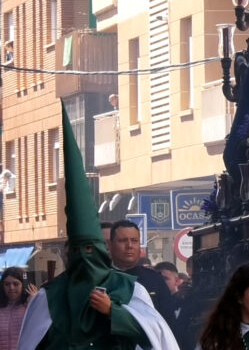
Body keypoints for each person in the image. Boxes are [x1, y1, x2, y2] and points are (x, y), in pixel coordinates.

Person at [18, 103, 178, 350]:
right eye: (78, 250)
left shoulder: (129, 287)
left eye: (90, 250)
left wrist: (113, 312)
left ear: (103, 250)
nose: (84, 257)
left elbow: (154, 336)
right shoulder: (49, 295)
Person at [110, 220, 178, 327]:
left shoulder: (155, 280)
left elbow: (169, 324)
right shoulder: (102, 278)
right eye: (123, 240)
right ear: (110, 245)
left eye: (134, 240)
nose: (129, 246)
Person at [0, 267, 36, 350]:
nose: (11, 287)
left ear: (24, 285)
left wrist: (35, 304)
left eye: (16, 284)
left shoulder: (30, 306)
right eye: (7, 284)